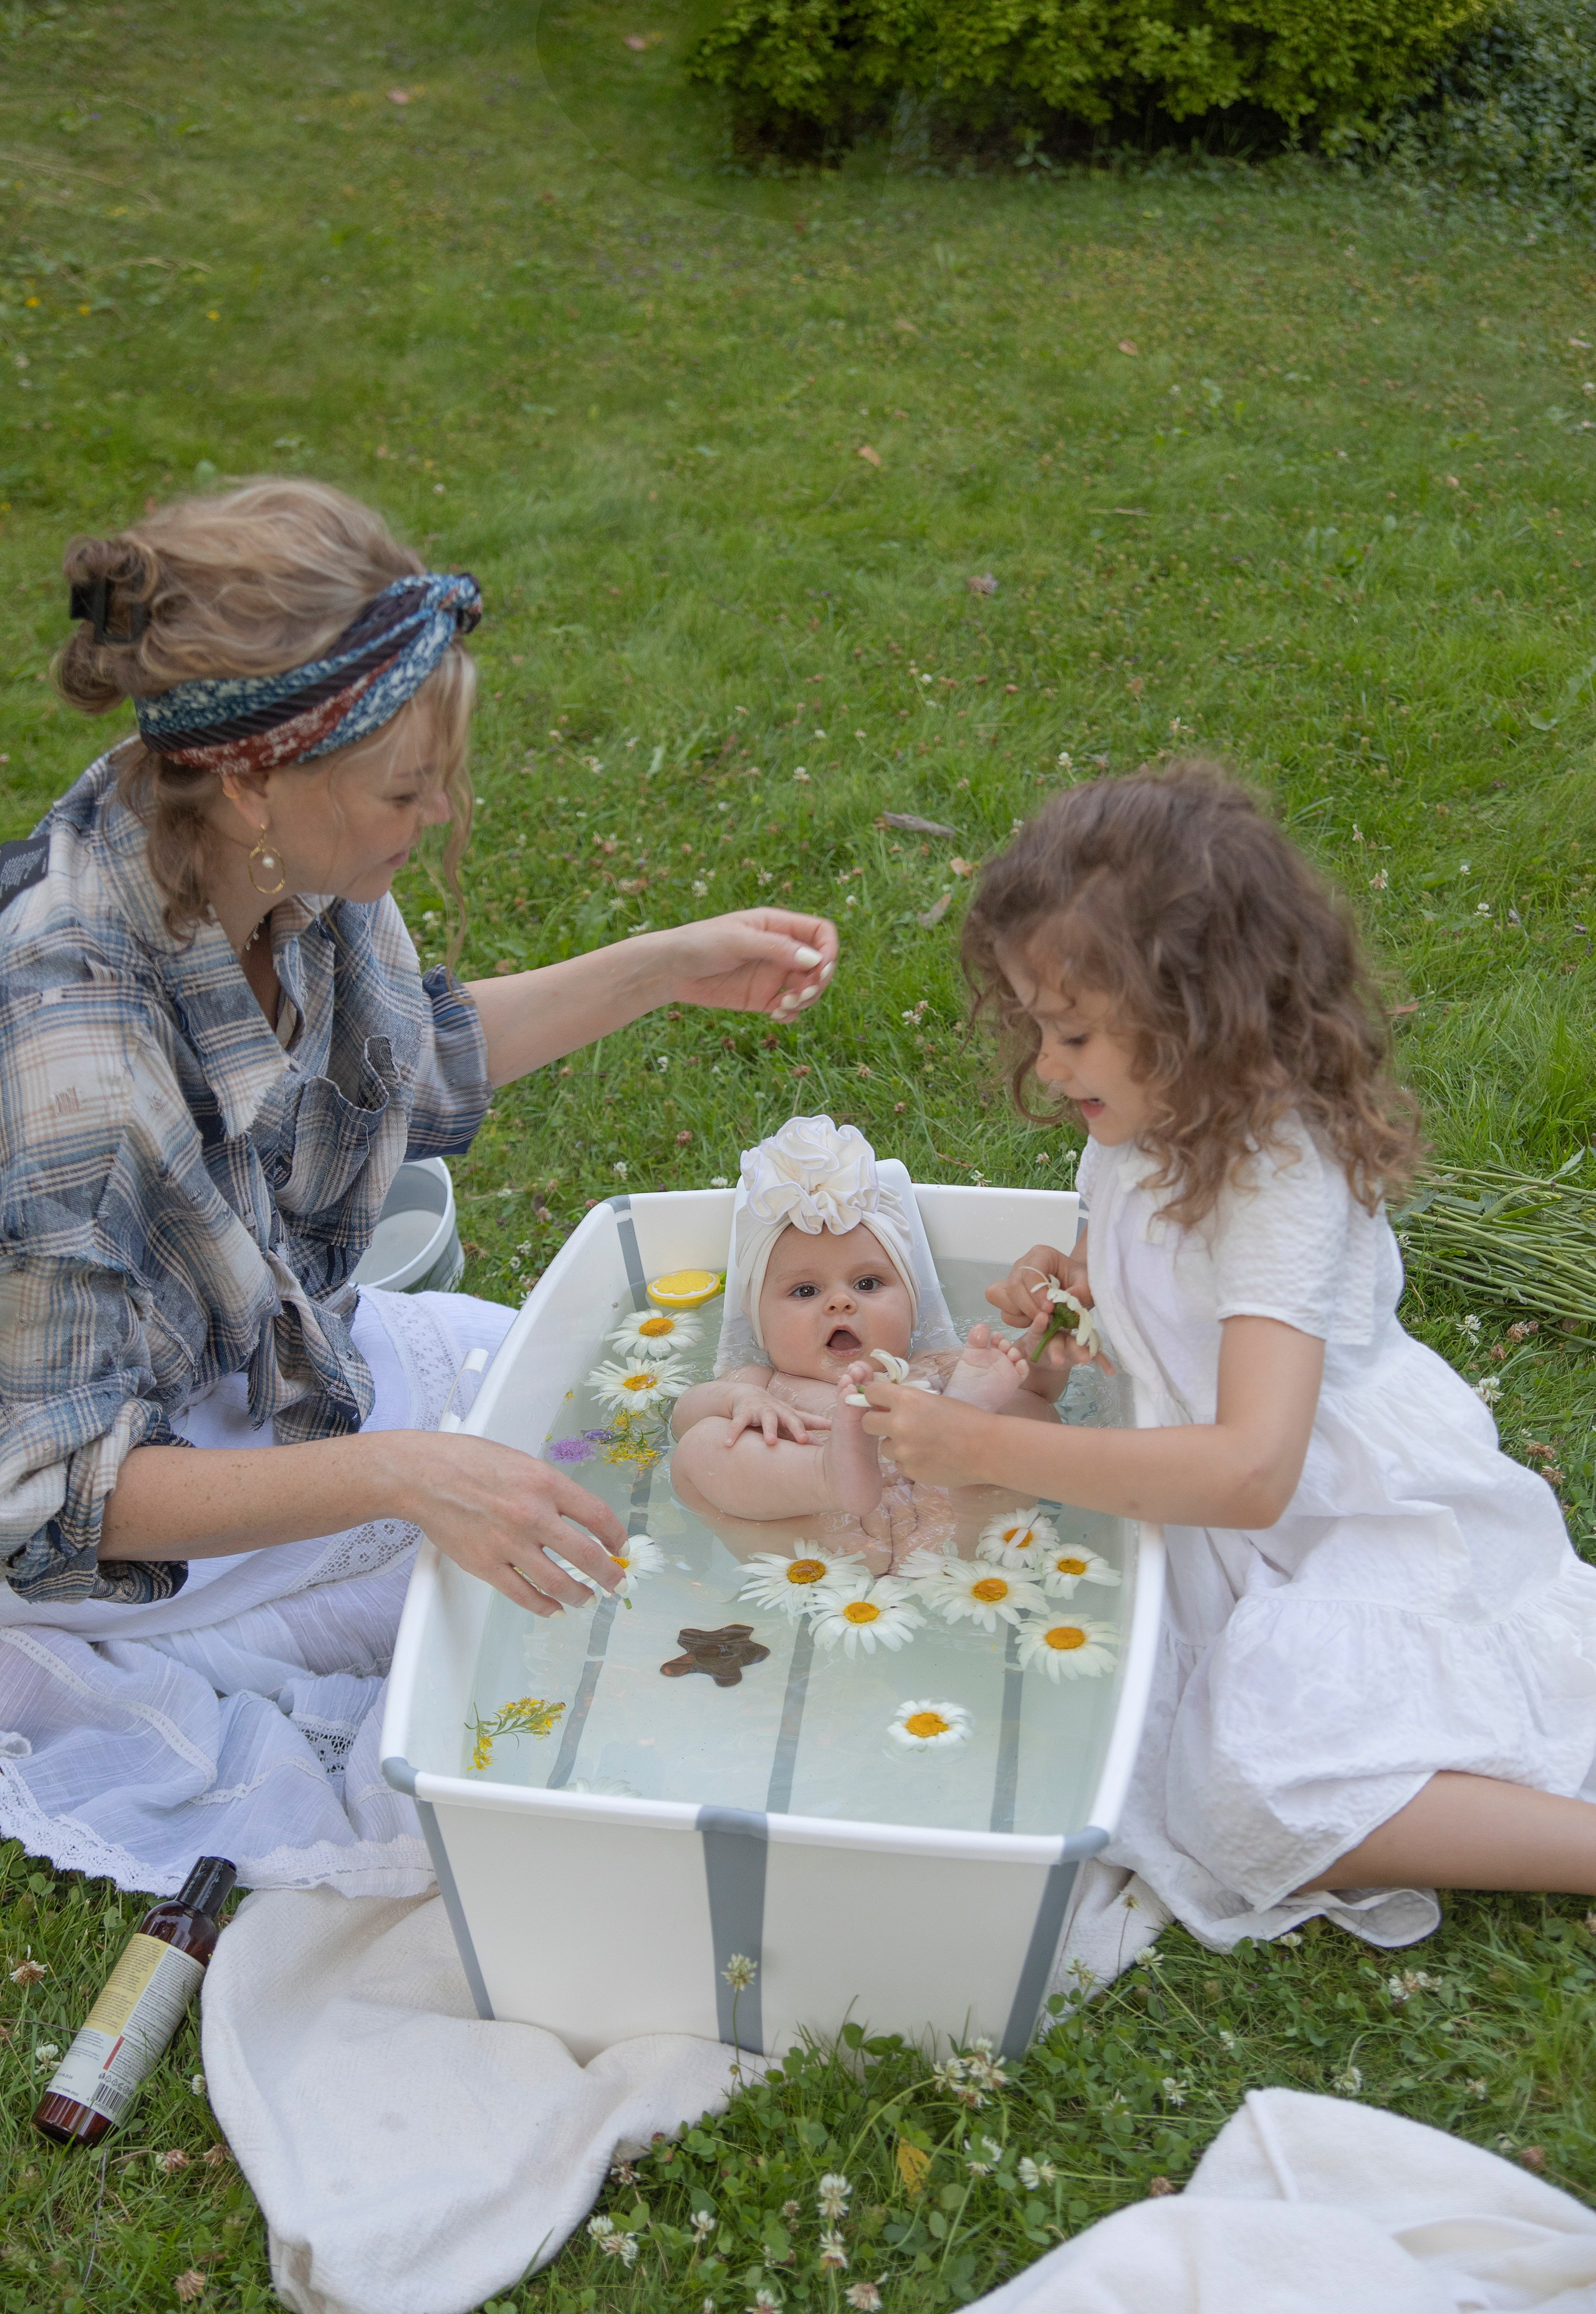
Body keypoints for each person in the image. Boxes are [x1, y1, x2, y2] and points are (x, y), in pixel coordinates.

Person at [0, 477, 838, 1897]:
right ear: (257, 773)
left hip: (269, 1371)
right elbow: (47, 1494)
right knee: (563, 1588)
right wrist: (402, 1473)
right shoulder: (67, 1055)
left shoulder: (276, 866)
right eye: (407, 787)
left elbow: (407, 1061)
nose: (440, 809)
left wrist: (656, 968)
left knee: (601, 1431)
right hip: (106, 1542)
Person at [853, 764, 1596, 1950]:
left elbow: (1255, 1466)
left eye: (1075, 1033)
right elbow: (1164, 1295)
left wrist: (994, 1443)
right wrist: (1079, 1299)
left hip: (1343, 1521)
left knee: (1242, 1795)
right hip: (1241, 1529)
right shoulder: (1141, 1123)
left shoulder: (1279, 1181)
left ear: (1197, 1015)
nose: (1047, 1065)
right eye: (1039, 1028)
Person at [670, 1115, 1058, 1556]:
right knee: (701, 1448)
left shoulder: (940, 1365)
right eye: (806, 1291)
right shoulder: (764, 1385)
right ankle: (825, 1473)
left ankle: (961, 1426)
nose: (840, 1303)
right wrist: (740, 1402)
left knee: (1026, 1408)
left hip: (954, 1534)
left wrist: (1039, 1353)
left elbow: (1041, 1397)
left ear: (912, 1310)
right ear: (760, 1326)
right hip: (826, 1552)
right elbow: (684, 1418)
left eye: (867, 1284)